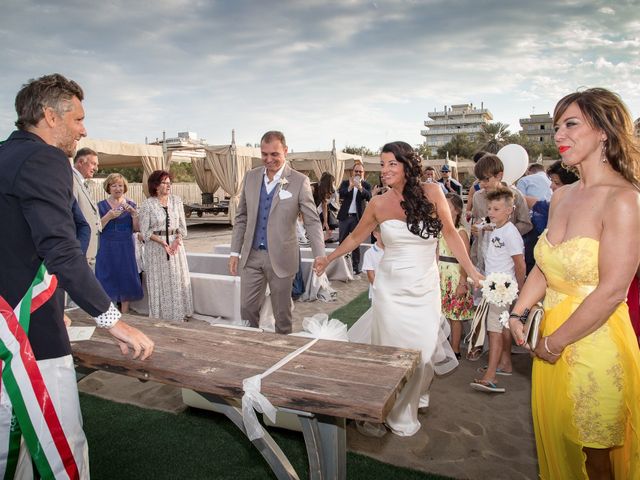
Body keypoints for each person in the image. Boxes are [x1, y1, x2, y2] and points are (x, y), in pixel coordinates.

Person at [0, 73, 154, 479]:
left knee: (9, 444)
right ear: (50, 116)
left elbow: (16, 243)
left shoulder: (4, 155)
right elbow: (59, 247)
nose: (84, 129)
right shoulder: (45, 158)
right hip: (24, 335)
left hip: (16, 314)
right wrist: (113, 321)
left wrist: (47, 298)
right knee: (60, 447)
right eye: (78, 119)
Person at [508, 88, 640, 479]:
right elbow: (544, 266)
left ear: (603, 130)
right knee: (562, 440)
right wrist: (519, 311)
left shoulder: (625, 200)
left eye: (570, 124)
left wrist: (554, 342)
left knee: (595, 456)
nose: (558, 135)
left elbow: (613, 290)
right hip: (548, 338)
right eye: (556, 126)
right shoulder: (562, 195)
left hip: (593, 342)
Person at [314, 141, 483, 436]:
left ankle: (414, 396)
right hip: (390, 288)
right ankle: (395, 408)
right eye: (382, 164)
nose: (386, 170)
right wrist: (328, 258)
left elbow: (451, 234)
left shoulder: (432, 193)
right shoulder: (378, 203)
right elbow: (355, 238)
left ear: (408, 165)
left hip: (424, 287)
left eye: (392, 163)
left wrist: (471, 272)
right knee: (392, 352)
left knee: (425, 349)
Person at [229, 131, 324, 334]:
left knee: (282, 314)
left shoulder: (299, 181)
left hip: (282, 257)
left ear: (285, 151)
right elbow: (241, 217)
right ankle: (252, 348)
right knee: (246, 308)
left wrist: (320, 254)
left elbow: (312, 221)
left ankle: (281, 352)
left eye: (274, 154)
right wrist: (234, 252)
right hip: (251, 256)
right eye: (264, 154)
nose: (268, 159)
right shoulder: (251, 177)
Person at [470, 187, 525, 393]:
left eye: (496, 209)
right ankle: (505, 364)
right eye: (490, 208)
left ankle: (490, 375)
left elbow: (519, 265)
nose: (491, 212)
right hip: (493, 286)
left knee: (494, 331)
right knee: (501, 328)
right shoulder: (496, 229)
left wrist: (519, 291)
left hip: (503, 289)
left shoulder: (510, 233)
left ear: (509, 211)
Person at [138, 170, 193, 322]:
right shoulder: (148, 204)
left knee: (176, 277)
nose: (168, 186)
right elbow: (145, 231)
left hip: (175, 246)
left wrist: (177, 240)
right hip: (156, 249)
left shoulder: (176, 201)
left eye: (169, 183)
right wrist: (162, 242)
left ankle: (179, 313)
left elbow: (182, 226)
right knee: (159, 280)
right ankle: (162, 315)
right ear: (155, 185)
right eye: (164, 183)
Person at [470, 153, 532, 273]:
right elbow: (481, 221)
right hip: (481, 256)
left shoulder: (515, 195)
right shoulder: (477, 197)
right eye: (479, 180)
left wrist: (502, 231)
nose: (482, 184)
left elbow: (526, 224)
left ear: (499, 175)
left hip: (505, 259)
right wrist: (477, 228)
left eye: (486, 179)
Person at [95, 173, 143, 314]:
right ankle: (108, 311)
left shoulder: (131, 205)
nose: (118, 188)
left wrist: (134, 215)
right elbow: (97, 227)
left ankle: (125, 312)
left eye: (120, 185)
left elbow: (136, 229)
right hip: (107, 246)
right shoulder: (100, 206)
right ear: (108, 188)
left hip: (126, 246)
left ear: (125, 187)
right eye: (114, 185)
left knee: (125, 276)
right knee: (106, 275)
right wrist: (108, 216)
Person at [438, 193, 474, 359]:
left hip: (455, 275)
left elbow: (465, 259)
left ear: (457, 210)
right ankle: (441, 345)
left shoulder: (461, 232)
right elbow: (436, 254)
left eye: (447, 205)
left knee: (455, 315)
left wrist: (462, 282)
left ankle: (455, 349)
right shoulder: (439, 229)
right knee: (441, 313)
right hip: (441, 274)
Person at [336, 161, 372, 274]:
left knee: (356, 243)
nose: (358, 173)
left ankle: (356, 267)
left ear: (363, 173)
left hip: (358, 218)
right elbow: (341, 193)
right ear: (352, 172)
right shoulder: (346, 183)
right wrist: (350, 187)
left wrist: (360, 188)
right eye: (356, 171)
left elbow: (369, 197)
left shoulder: (366, 185)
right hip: (345, 217)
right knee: (342, 242)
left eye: (360, 171)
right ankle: (341, 267)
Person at [72, 147, 102, 269]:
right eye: (93, 164)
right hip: (80, 252)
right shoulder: (71, 180)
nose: (96, 168)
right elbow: (70, 215)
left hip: (89, 252)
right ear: (80, 162)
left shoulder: (83, 182)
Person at [313, 172, 338, 242]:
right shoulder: (313, 188)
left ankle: (319, 243)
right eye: (332, 183)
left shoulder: (326, 191)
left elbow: (324, 205)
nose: (332, 185)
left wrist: (325, 221)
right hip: (310, 211)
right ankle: (317, 243)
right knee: (316, 231)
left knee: (327, 231)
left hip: (320, 212)